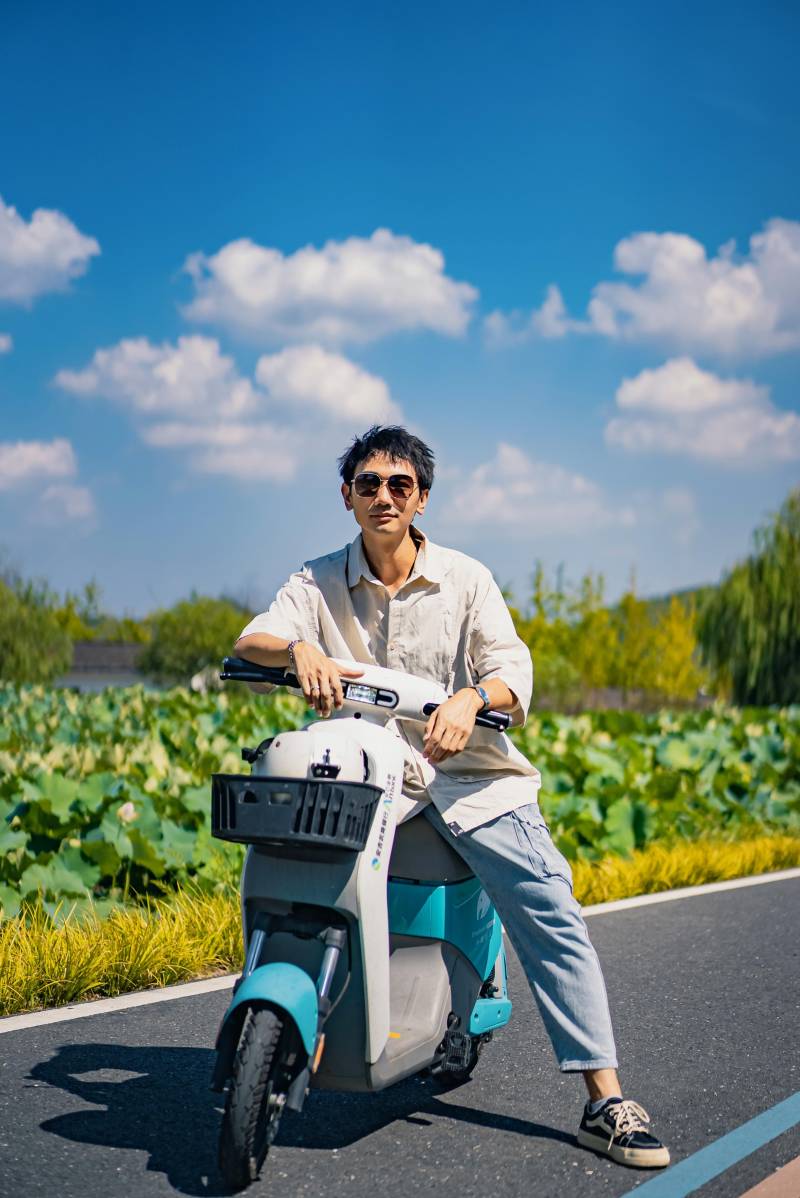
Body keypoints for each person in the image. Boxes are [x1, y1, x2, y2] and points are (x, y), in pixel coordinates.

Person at [235, 424, 670, 1171]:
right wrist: (300, 649)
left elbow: (511, 673)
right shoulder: (315, 581)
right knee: (289, 865)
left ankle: (605, 1098)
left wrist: (472, 701)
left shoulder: (467, 579)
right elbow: (256, 637)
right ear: (347, 496)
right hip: (368, 776)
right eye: (368, 484)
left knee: (547, 902)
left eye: (399, 485)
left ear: (422, 498)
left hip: (468, 777)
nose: (383, 496)